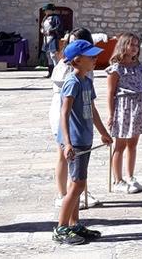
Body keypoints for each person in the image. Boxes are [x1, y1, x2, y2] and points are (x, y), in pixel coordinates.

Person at [54, 39, 113, 246]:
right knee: (77, 184)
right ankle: (61, 227)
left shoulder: (87, 80)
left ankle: (74, 223)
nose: (96, 59)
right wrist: (67, 143)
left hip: (85, 139)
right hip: (76, 141)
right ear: (77, 61)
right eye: (91, 56)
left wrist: (103, 133)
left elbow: (92, 110)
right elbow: (64, 112)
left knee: (78, 183)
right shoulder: (73, 82)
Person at [49, 27, 101, 210]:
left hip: (81, 113)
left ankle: (77, 190)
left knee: (79, 160)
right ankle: (64, 194)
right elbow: (66, 104)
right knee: (64, 153)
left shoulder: (86, 69)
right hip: (65, 111)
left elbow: (90, 103)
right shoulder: (67, 71)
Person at [107, 33, 142, 194]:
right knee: (120, 145)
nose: (134, 48)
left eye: (137, 45)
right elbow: (110, 93)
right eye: (131, 45)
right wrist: (111, 114)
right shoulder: (116, 68)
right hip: (124, 108)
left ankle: (130, 176)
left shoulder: (139, 66)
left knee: (133, 144)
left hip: (139, 108)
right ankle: (118, 179)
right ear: (123, 45)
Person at [41, 4, 62, 79]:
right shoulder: (45, 18)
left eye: (47, 10)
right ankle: (50, 72)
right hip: (46, 38)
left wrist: (50, 31)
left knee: (53, 55)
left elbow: (59, 27)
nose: (45, 11)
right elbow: (43, 26)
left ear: (51, 10)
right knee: (48, 55)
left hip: (53, 37)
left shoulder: (56, 18)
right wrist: (42, 30)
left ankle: (57, 73)